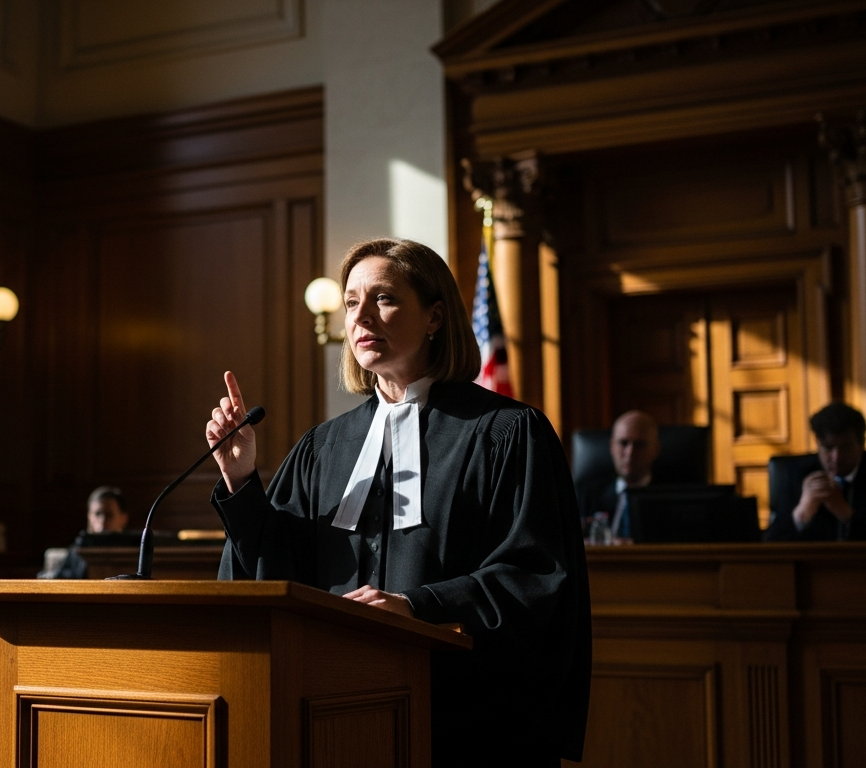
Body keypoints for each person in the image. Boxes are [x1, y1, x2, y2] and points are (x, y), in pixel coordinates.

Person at [206, 239, 590, 767]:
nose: (361, 316)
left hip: (462, 718)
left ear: (434, 317)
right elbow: (282, 569)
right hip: (337, 709)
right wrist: (242, 480)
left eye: (383, 298)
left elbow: (535, 574)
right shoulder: (324, 446)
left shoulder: (506, 434)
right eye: (350, 302)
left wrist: (417, 609)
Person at [764, 403, 866, 541]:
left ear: (861, 444)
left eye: (845, 447)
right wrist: (802, 511)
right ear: (817, 444)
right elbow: (771, 543)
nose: (836, 457)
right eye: (828, 447)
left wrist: (846, 513)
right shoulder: (797, 473)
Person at [575, 410, 661, 541]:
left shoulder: (671, 498)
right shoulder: (586, 494)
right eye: (623, 443)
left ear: (656, 450)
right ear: (612, 446)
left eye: (639, 445)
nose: (630, 453)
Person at [39, 486, 131, 579]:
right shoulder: (80, 547)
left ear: (123, 518)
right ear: (90, 517)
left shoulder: (134, 550)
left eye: (109, 515)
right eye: (97, 514)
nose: (102, 521)